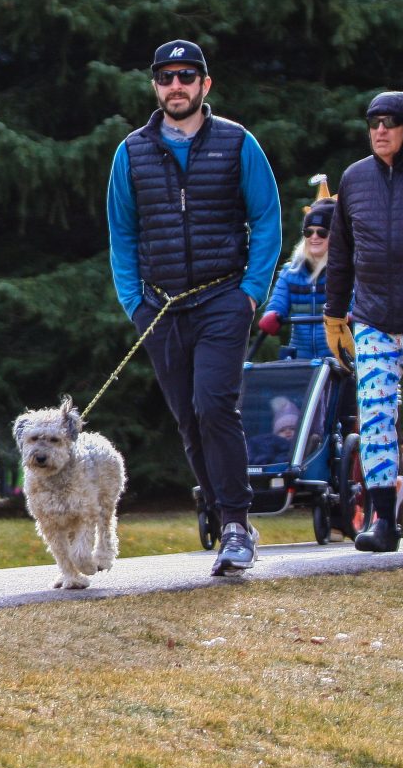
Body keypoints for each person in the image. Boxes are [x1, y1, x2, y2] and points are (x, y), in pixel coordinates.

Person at [107, 39, 282, 575]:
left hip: (223, 299)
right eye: (166, 77)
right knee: (187, 418)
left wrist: (251, 292)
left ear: (205, 85)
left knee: (214, 406)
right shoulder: (131, 151)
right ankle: (216, 501)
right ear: (155, 86)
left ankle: (235, 523)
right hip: (159, 308)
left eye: (187, 76)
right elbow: (122, 232)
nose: (175, 86)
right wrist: (134, 301)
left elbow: (269, 219)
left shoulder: (237, 142)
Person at [323, 90, 403, 552]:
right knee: (375, 416)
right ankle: (382, 520)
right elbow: (340, 254)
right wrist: (335, 314)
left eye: (390, 122)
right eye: (373, 122)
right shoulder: (355, 179)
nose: (380, 130)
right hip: (373, 318)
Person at [256, 176, 334, 360]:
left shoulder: (346, 272)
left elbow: (357, 303)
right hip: (301, 356)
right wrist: (272, 315)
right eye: (309, 232)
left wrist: (349, 317)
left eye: (322, 232)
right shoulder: (291, 272)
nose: (314, 237)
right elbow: (278, 303)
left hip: (338, 356)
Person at [247, 396, 300, 466]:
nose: (288, 432)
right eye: (282, 430)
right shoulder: (269, 447)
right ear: (275, 434)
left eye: (292, 428)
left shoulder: (300, 451)